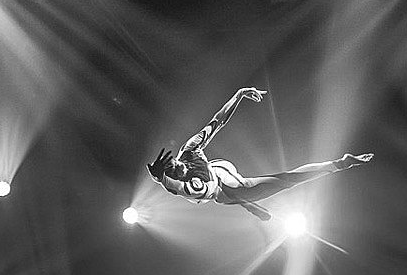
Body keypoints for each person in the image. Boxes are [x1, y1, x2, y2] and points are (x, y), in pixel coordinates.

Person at [147, 87, 373, 220]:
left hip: (220, 170)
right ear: (176, 177)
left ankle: (339, 164)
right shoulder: (190, 188)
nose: (180, 165)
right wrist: (161, 179)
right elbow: (181, 187)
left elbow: (217, 121)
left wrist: (239, 95)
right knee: (232, 193)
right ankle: (339, 164)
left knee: (252, 188)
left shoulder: (189, 150)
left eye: (176, 162)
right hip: (217, 189)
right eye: (177, 170)